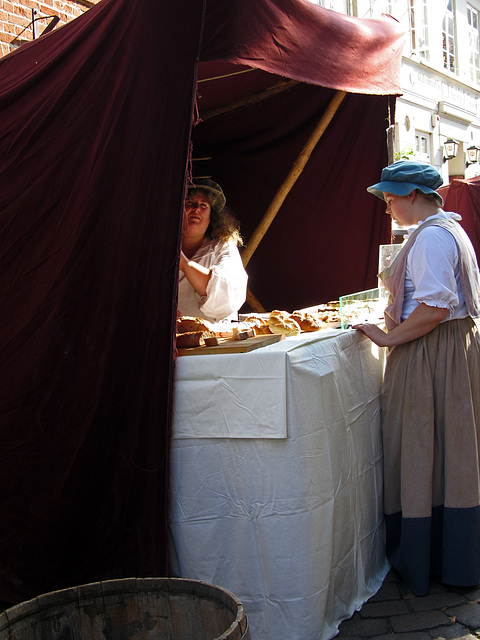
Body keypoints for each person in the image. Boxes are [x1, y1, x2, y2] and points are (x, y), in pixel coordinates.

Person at [355, 160, 480, 596]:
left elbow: (433, 309)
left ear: (412, 195)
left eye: (390, 197)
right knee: (453, 448)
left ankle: (433, 554)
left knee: (425, 446)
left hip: (433, 352)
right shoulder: (449, 230)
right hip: (450, 348)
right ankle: (454, 553)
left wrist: (387, 340)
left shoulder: (431, 239)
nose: (387, 205)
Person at [178, 178, 248, 322]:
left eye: (203, 205)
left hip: (214, 339)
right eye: (189, 203)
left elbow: (227, 296)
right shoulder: (159, 248)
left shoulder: (222, 248)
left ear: (212, 217)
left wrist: (184, 265)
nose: (196, 208)